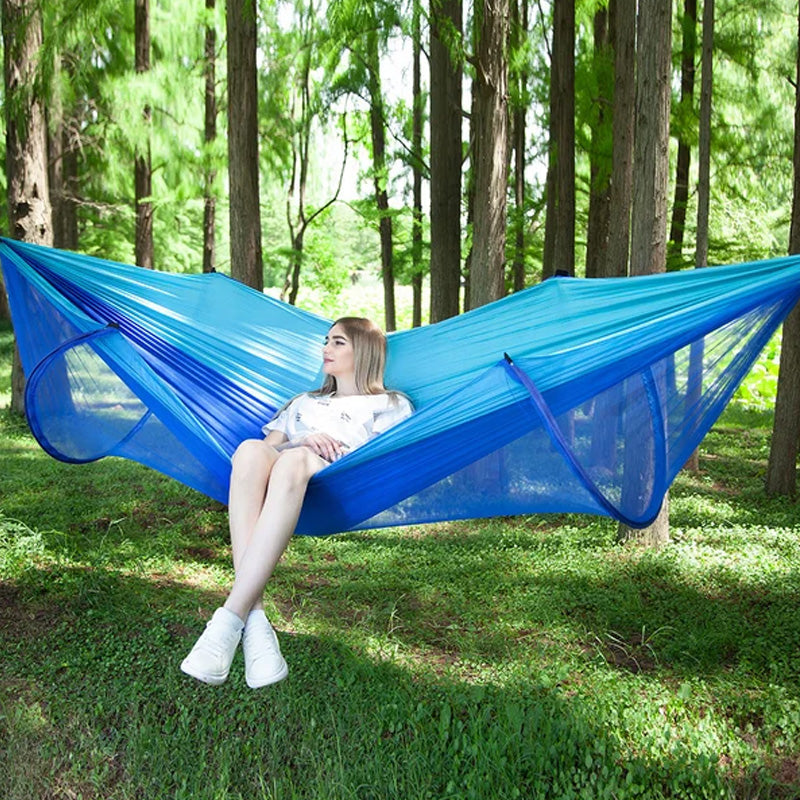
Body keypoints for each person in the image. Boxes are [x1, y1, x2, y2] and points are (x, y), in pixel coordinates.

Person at [180, 317, 413, 688]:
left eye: (338, 342)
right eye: (326, 341)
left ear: (364, 350)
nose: (326, 349)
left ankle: (226, 623)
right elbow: (267, 450)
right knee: (249, 450)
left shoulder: (388, 404)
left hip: (341, 479)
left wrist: (316, 451)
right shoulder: (304, 402)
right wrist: (303, 441)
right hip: (288, 467)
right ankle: (253, 624)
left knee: (292, 461)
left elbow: (385, 459)